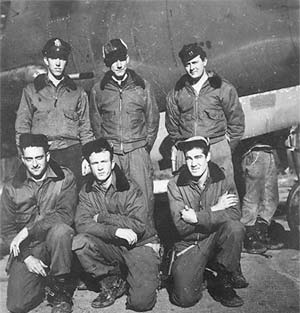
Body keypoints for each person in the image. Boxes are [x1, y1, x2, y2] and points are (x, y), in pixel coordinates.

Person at [72, 138, 160, 312]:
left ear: (112, 163)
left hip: (138, 245)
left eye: (104, 161)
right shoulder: (87, 191)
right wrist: (115, 231)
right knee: (80, 242)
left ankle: (150, 271)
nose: (100, 167)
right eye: (95, 163)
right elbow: (82, 224)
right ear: (89, 165)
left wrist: (103, 217)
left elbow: (138, 225)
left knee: (141, 303)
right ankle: (112, 280)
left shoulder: (129, 187)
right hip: (112, 245)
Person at [0, 134, 77, 313]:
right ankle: (45, 281)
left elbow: (65, 215)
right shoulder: (12, 187)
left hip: (56, 243)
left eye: (39, 157)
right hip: (30, 250)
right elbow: (6, 229)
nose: (34, 164)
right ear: (22, 159)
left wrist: (28, 230)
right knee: (17, 305)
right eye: (29, 159)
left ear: (48, 156)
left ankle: (60, 290)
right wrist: (27, 258)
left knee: (61, 231)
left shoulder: (65, 177)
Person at [167, 136, 246, 308]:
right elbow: (181, 227)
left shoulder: (223, 178)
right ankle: (202, 272)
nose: (193, 163)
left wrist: (198, 217)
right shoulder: (175, 185)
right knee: (184, 299)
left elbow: (234, 213)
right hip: (190, 243)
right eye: (189, 158)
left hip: (215, 237)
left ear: (208, 157)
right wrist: (215, 209)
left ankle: (224, 280)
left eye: (198, 157)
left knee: (235, 228)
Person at [89, 38, 159, 221]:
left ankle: (151, 242)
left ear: (127, 59)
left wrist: (143, 149)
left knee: (144, 199)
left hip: (137, 153)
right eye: (113, 60)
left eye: (121, 58)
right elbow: (96, 125)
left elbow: (152, 120)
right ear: (107, 63)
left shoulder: (142, 86)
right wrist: (108, 152)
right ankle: (122, 244)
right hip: (113, 156)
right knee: (116, 201)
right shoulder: (98, 90)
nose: (118, 64)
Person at [15, 37, 94, 189]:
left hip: (72, 155)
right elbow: (22, 129)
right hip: (44, 155)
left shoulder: (78, 92)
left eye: (62, 58)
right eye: (53, 58)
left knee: (73, 202)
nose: (58, 63)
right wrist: (25, 159)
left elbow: (86, 129)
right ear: (46, 60)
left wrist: (87, 158)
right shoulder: (31, 91)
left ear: (66, 61)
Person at [165, 43, 245, 185]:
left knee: (226, 195)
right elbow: (172, 124)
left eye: (195, 62)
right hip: (191, 153)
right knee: (195, 198)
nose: (192, 68)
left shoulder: (222, 88)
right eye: (187, 64)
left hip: (217, 149)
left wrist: (225, 147)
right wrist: (182, 145)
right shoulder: (177, 92)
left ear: (204, 61)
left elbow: (236, 122)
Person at [239, 133, 285, 253]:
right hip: (255, 150)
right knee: (253, 196)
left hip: (268, 149)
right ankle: (249, 236)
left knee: (270, 196)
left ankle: (261, 232)